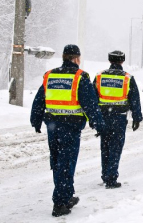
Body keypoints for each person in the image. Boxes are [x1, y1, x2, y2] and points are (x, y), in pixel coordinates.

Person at [30, 44, 105, 217]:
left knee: (58, 161)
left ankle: (67, 195)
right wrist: (98, 124)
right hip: (70, 127)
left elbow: (39, 99)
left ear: (64, 57)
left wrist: (35, 120)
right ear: (77, 58)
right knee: (66, 163)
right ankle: (60, 203)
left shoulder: (50, 75)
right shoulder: (80, 77)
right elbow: (90, 104)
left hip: (52, 126)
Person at [93, 50, 143, 189]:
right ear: (122, 61)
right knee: (115, 148)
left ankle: (105, 174)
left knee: (105, 147)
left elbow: (93, 99)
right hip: (119, 118)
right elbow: (135, 100)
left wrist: (93, 118)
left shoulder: (99, 76)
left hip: (103, 117)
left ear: (110, 60)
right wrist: (136, 118)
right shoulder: (127, 78)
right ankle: (111, 178)